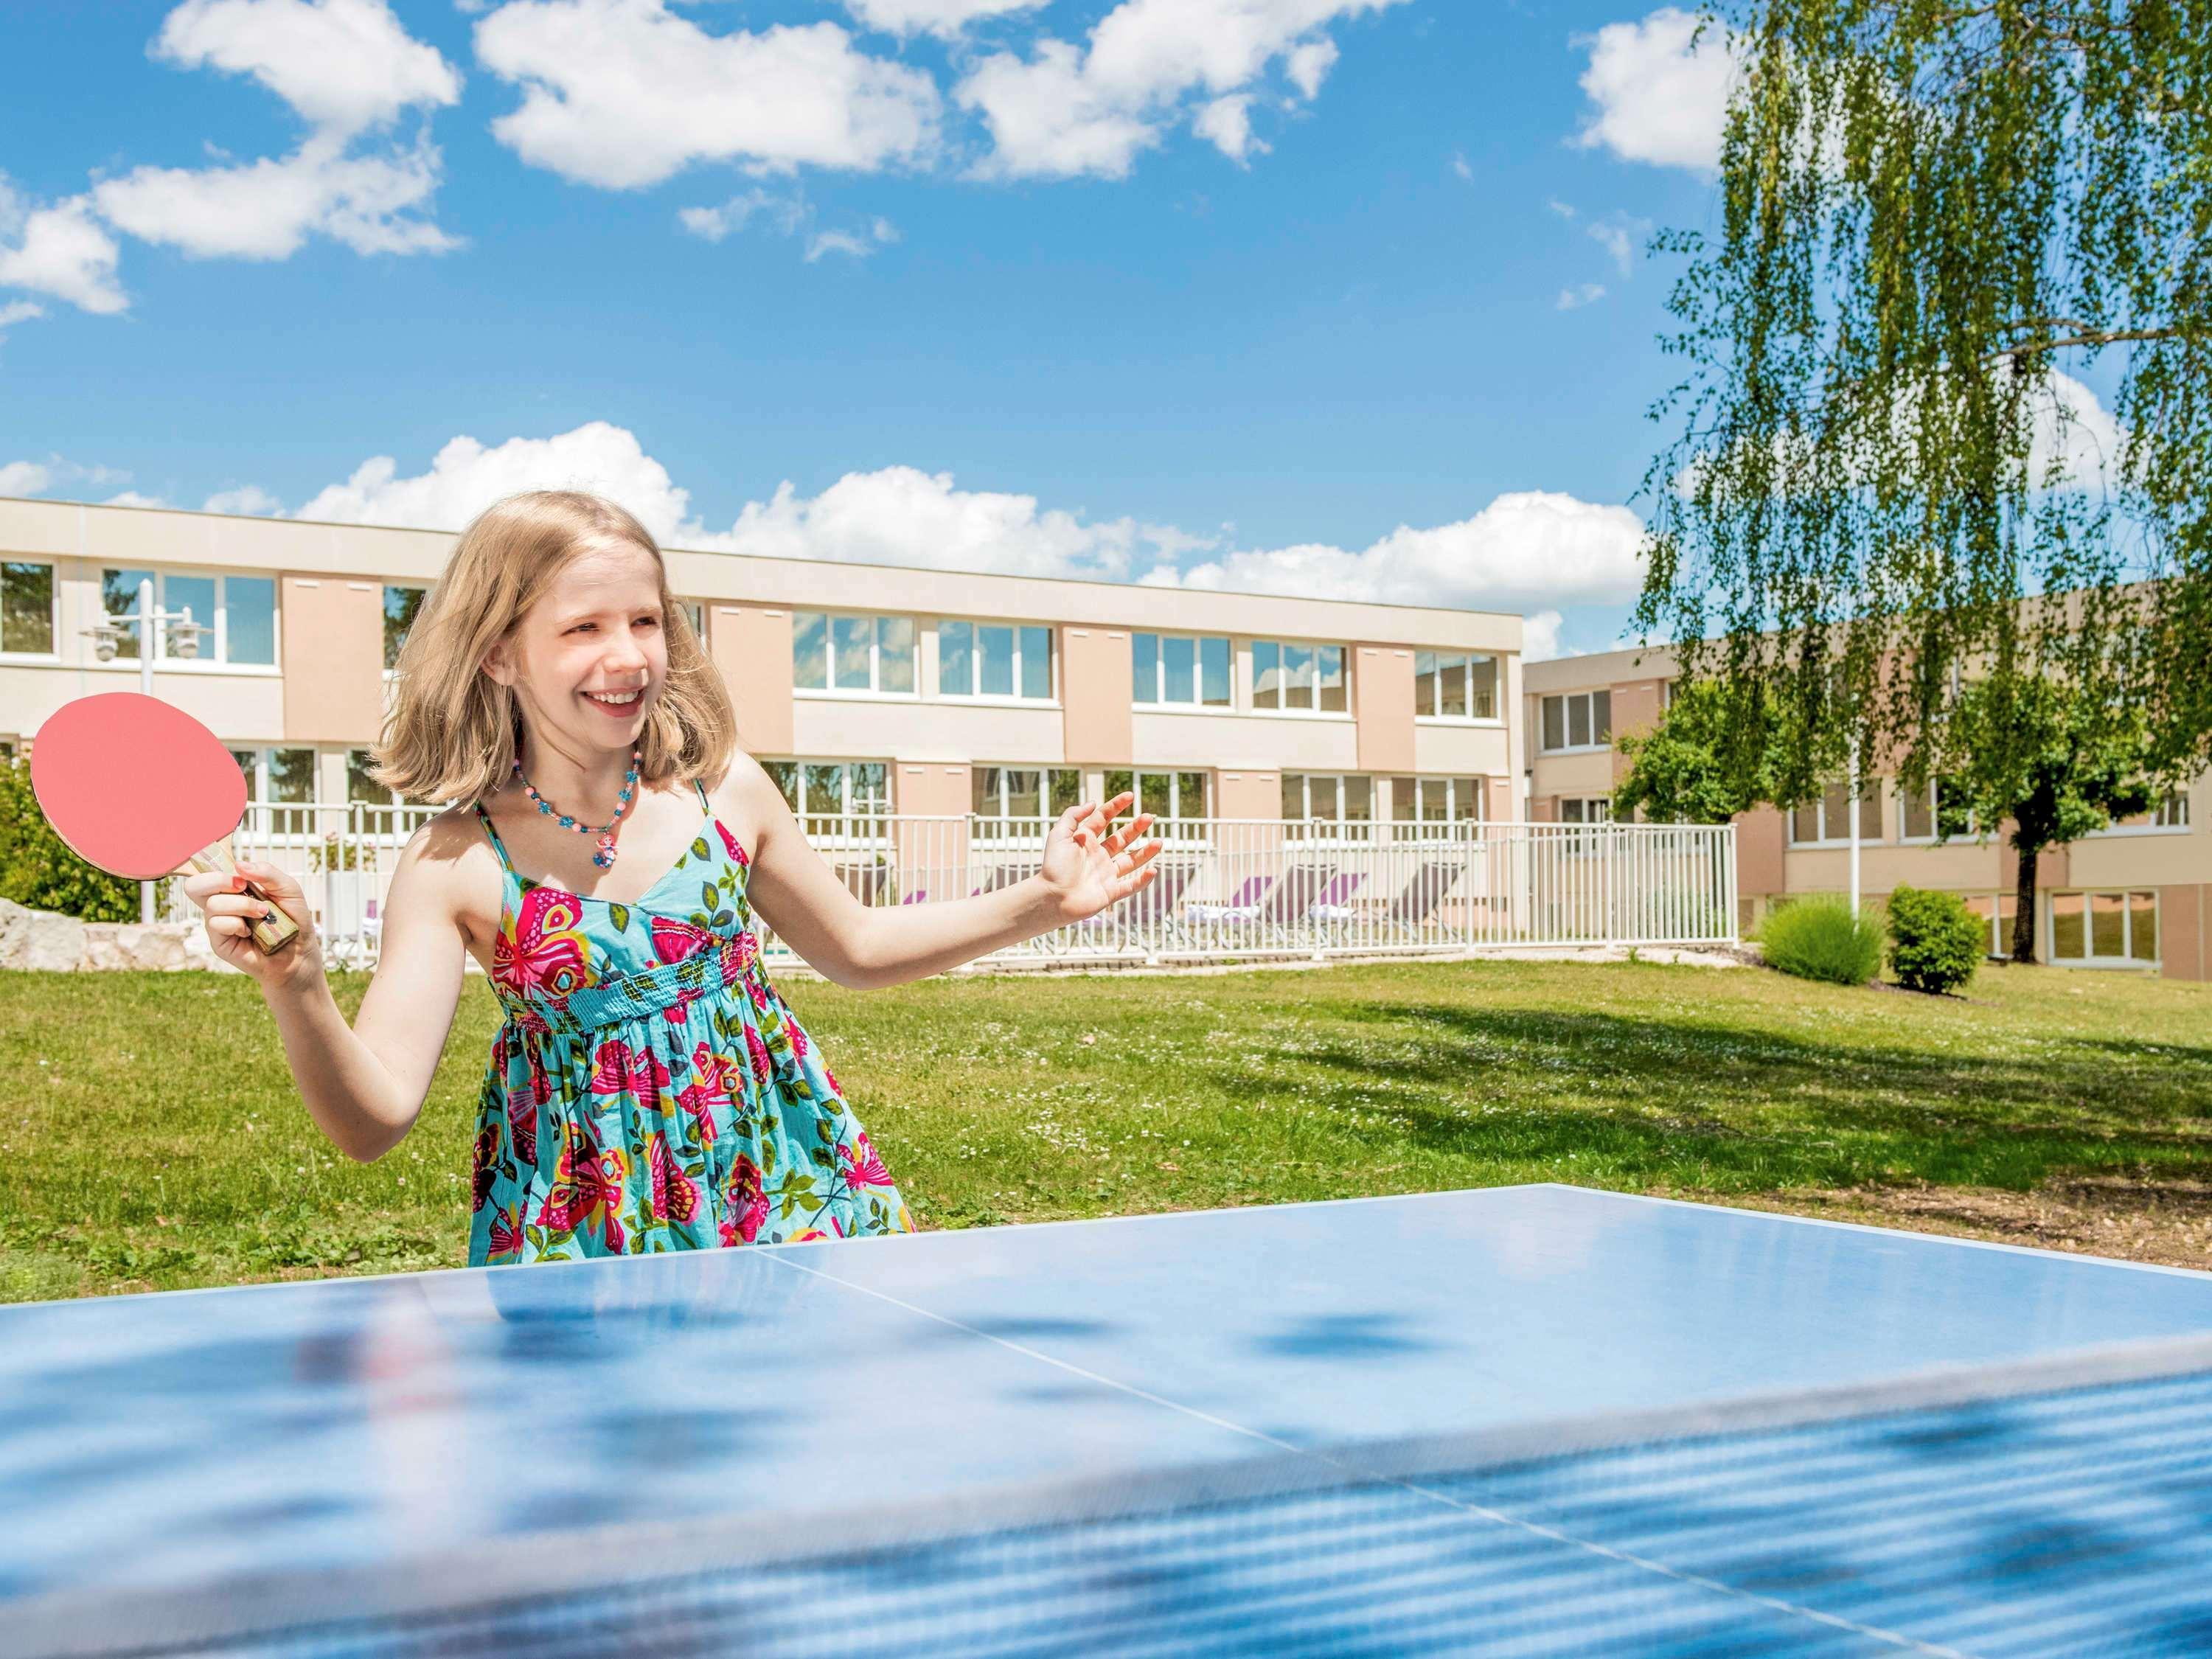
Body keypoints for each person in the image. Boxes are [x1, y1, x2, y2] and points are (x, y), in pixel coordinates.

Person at [184, 490, 1163, 1266]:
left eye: (646, 621)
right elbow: (374, 1119)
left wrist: (1045, 900)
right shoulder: (456, 863)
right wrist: (298, 980)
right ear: (496, 651)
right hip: (583, 1228)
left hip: (781, 1187)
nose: (628, 656)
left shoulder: (725, 792)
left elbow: (858, 948)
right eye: (582, 629)